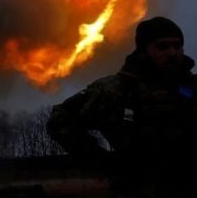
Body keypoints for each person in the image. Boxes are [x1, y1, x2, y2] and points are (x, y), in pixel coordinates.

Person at [47, 16, 197, 197]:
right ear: (143, 50)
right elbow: (60, 120)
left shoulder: (192, 87)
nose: (172, 52)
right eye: (162, 47)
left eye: (177, 46)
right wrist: (101, 161)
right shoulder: (116, 90)